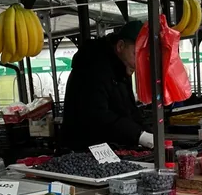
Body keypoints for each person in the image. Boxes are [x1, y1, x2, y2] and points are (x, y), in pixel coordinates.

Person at [61, 21, 154, 150]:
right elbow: (97, 116)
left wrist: (148, 133)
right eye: (136, 54)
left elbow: (130, 110)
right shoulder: (92, 68)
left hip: (109, 148)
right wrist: (139, 135)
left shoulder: (121, 68)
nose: (139, 64)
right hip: (85, 151)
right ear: (120, 46)